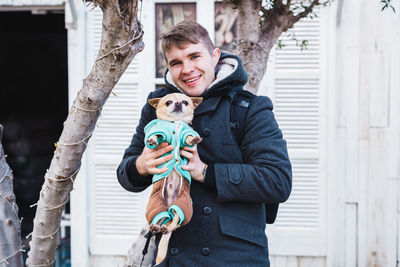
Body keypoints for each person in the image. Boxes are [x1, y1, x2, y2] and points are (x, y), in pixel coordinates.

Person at [117, 20, 292, 266]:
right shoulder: (158, 105)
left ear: (215, 56)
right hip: (172, 257)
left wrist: (205, 172)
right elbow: (125, 175)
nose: (187, 69)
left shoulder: (250, 108)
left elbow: (277, 181)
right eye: (176, 62)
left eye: (194, 56)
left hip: (236, 258)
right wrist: (141, 165)